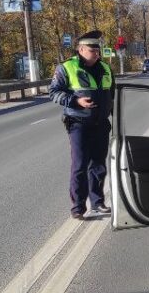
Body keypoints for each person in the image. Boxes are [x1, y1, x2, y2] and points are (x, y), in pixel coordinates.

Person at [50, 30, 116, 220]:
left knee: (98, 165)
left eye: (98, 50)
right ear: (80, 49)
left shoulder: (105, 68)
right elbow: (53, 92)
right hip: (78, 123)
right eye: (92, 50)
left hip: (101, 124)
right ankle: (78, 206)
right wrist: (76, 102)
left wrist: (112, 114)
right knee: (80, 165)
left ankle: (97, 202)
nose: (96, 53)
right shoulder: (66, 67)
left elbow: (111, 94)